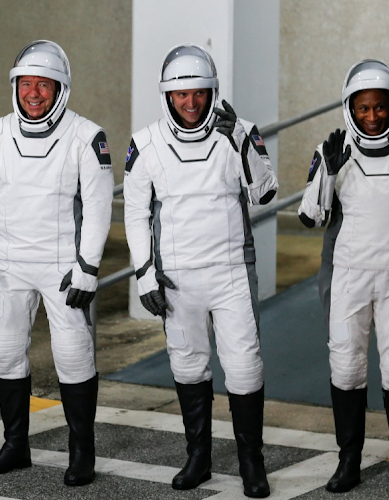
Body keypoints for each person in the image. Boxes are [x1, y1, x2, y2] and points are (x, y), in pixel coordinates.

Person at [124, 44, 278, 498]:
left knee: (245, 368)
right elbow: (134, 212)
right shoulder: (145, 142)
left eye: (199, 94)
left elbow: (266, 193)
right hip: (176, 276)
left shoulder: (241, 131)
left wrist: (241, 145)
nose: (190, 104)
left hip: (230, 271)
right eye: (180, 95)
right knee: (189, 366)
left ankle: (252, 461)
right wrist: (145, 273)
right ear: (167, 96)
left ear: (213, 92)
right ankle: (199, 458)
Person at [0, 40, 113, 487]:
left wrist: (88, 267)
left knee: (73, 356)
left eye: (43, 85)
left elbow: (100, 208)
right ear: (15, 86)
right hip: (8, 263)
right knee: (6, 354)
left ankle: (81, 453)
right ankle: (15, 446)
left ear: (60, 89)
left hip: (63, 265)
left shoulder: (87, 136)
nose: (33, 93)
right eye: (26, 83)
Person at [298, 59, 389, 497]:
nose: (372, 116)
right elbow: (310, 217)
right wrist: (326, 170)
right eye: (363, 108)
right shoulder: (333, 152)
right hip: (348, 276)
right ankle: (349, 460)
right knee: (345, 369)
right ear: (349, 108)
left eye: (381, 107)